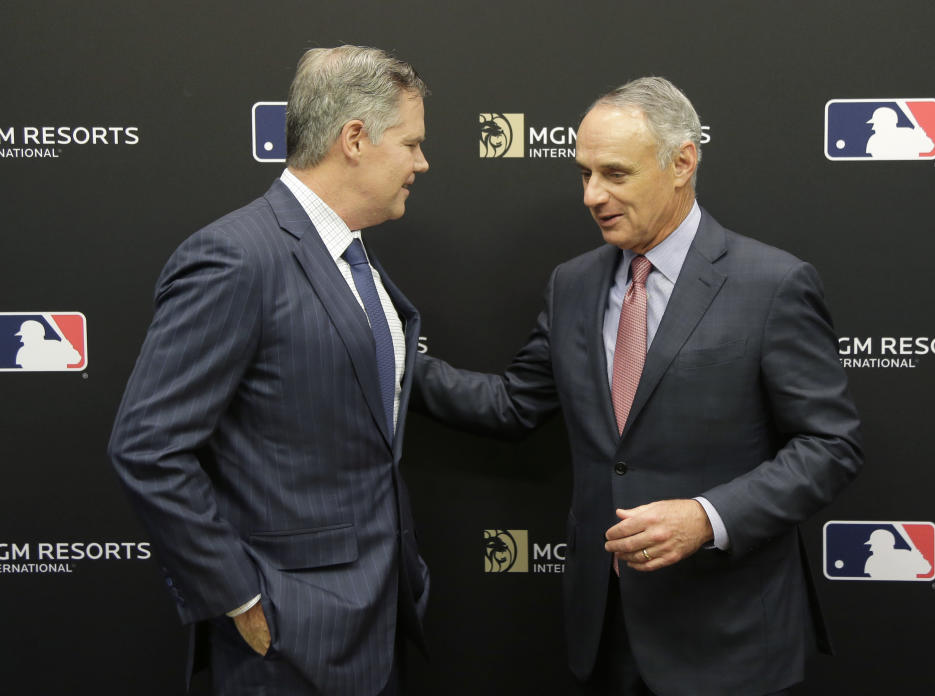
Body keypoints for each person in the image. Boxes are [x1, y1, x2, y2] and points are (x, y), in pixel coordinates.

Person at [413, 77, 863, 695]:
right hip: (604, 633)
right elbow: (514, 404)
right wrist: (394, 360)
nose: (593, 195)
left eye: (615, 174)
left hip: (728, 639)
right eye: (583, 174)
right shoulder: (572, 284)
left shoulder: (772, 284)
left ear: (683, 162)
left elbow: (831, 446)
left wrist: (707, 518)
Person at [108, 45, 430, 696]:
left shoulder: (351, 257)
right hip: (288, 640)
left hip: (382, 625)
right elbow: (146, 447)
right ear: (356, 140)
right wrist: (239, 597)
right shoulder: (236, 258)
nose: (422, 163)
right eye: (413, 143)